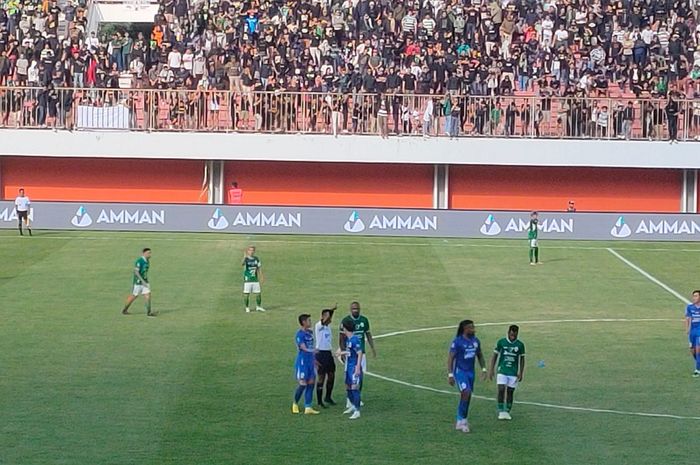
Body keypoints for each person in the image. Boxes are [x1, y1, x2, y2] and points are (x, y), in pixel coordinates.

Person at [447, 319, 487, 433]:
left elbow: (480, 355)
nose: (474, 329)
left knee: (468, 396)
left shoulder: (475, 341)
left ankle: (462, 419)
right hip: (460, 372)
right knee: (466, 392)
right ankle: (461, 420)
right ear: (465, 329)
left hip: (471, 373)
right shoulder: (457, 342)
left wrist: (483, 369)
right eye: (471, 327)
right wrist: (450, 374)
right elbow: (451, 358)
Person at [339, 301, 376, 409]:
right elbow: (341, 337)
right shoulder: (346, 321)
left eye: (357, 308)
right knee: (348, 377)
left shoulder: (364, 320)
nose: (355, 310)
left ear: (360, 309)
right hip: (350, 354)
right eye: (353, 309)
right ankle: (349, 400)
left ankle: (357, 398)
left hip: (361, 354)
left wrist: (372, 347)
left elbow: (368, 334)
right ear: (350, 309)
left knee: (360, 377)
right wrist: (342, 351)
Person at [488, 325, 526, 420]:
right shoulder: (501, 342)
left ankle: (507, 411)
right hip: (502, 370)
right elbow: (495, 356)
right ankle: (501, 410)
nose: (513, 336)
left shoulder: (520, 345)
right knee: (501, 389)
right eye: (511, 334)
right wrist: (491, 369)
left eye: (515, 334)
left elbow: (522, 359)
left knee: (510, 392)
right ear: (508, 332)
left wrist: (521, 372)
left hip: (513, 372)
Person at [292, 314, 320, 415]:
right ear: (303, 322)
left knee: (311, 383)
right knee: (303, 384)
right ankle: (295, 403)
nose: (310, 322)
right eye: (308, 320)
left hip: (310, 362)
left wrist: (315, 360)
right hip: (303, 362)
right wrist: (313, 351)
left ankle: (308, 407)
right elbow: (303, 348)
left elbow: (311, 346)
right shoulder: (300, 335)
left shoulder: (310, 333)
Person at [338, 319, 363, 420]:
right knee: (348, 387)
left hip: (353, 368)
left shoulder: (355, 339)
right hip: (348, 367)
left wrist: (357, 368)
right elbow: (350, 352)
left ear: (345, 328)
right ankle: (353, 405)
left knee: (354, 388)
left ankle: (357, 411)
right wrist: (341, 353)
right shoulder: (349, 339)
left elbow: (359, 353)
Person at [314, 305, 338, 407]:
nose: (330, 319)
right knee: (321, 378)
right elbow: (325, 318)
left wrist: (332, 311)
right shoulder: (319, 326)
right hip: (321, 354)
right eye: (329, 317)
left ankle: (328, 397)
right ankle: (319, 402)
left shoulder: (327, 327)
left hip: (328, 353)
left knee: (331, 375)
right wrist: (330, 311)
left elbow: (327, 317)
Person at [121, 248, 154, 317]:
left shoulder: (147, 261)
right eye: (148, 253)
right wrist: (142, 281)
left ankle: (149, 312)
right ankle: (124, 310)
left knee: (148, 294)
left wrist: (145, 281)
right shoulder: (139, 261)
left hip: (145, 281)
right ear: (144, 253)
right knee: (134, 296)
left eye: (150, 253)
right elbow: (136, 272)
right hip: (138, 283)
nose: (150, 254)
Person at [242, 246, 265, 313]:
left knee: (258, 293)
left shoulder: (256, 259)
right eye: (250, 250)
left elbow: (259, 268)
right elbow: (242, 263)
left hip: (255, 279)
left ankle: (258, 306)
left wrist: (262, 276)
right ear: (248, 251)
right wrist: (244, 257)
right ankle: (247, 307)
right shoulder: (246, 259)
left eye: (252, 250)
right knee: (246, 294)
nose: (251, 252)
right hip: (247, 280)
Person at [685, 291, 700, 377]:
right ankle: (699, 363)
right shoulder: (689, 307)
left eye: (696, 296)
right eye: (693, 296)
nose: (694, 298)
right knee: (692, 350)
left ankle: (697, 370)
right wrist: (687, 329)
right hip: (693, 331)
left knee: (698, 349)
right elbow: (688, 318)